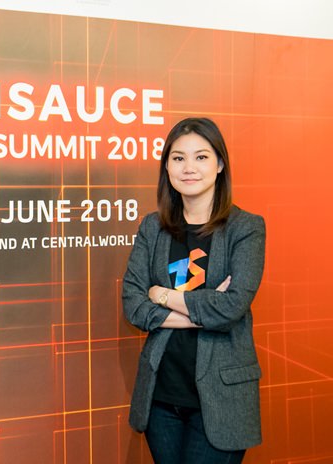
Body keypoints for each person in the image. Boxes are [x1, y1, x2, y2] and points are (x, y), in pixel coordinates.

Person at [122, 117, 266, 463]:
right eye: (178, 158)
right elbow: (133, 304)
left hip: (221, 400)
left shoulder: (246, 228)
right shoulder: (152, 227)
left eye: (201, 157)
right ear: (167, 167)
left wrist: (161, 295)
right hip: (161, 397)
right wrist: (202, 312)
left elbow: (231, 307)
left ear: (220, 164)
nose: (189, 168)